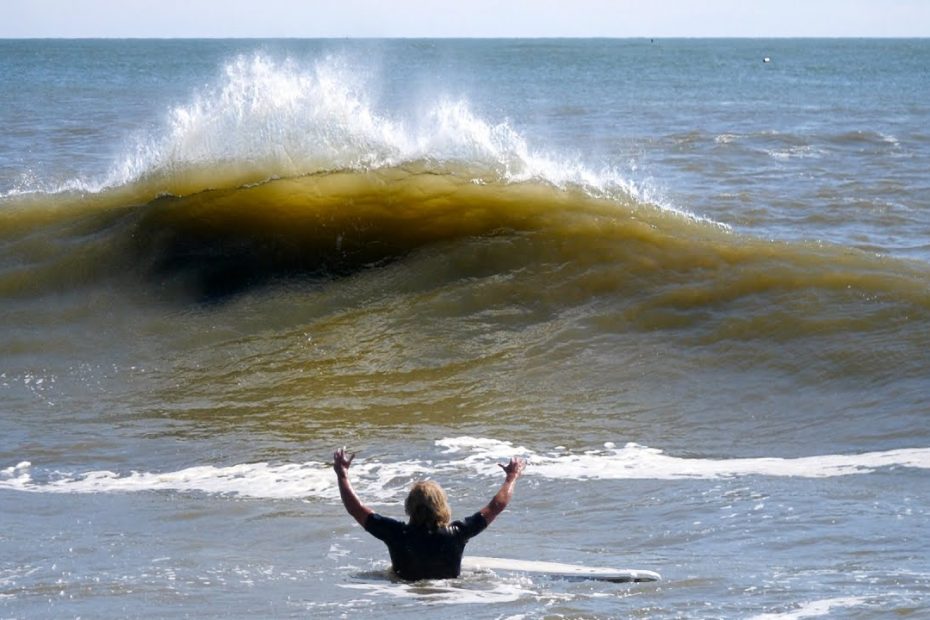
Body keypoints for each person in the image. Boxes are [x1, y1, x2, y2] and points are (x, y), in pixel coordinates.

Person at [333, 447, 526, 581]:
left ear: (409, 506)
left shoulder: (395, 533)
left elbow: (355, 509)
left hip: (402, 593)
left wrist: (342, 475)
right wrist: (511, 477)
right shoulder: (458, 533)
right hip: (450, 593)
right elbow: (496, 506)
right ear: (442, 506)